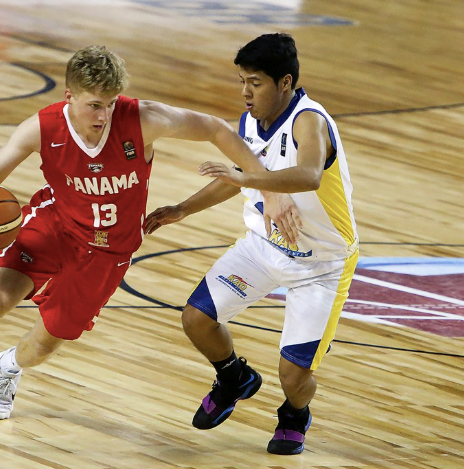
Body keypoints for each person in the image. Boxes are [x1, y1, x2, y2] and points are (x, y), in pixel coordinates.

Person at [0, 45, 299, 423]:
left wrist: (265, 185)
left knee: (47, 341)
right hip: (54, 223)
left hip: (109, 251)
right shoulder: (41, 128)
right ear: (69, 97)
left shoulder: (143, 119)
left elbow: (216, 129)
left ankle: (7, 369)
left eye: (111, 104)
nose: (104, 115)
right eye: (95, 105)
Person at [145, 33, 359, 455]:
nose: (245, 91)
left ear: (284, 82)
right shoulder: (250, 123)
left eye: (255, 82)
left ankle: (295, 415)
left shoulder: (308, 120)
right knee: (196, 319)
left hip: (322, 265)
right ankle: (233, 377)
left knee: (294, 377)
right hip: (263, 248)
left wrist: (247, 178)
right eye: (242, 80)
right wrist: (183, 209)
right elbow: (235, 184)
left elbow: (310, 175)